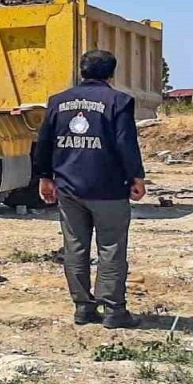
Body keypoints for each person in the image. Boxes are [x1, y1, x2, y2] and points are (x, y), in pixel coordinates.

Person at [34, 50, 146, 329]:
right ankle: (113, 311)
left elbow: (44, 142)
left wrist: (44, 177)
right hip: (108, 188)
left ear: (81, 71)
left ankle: (83, 308)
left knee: (75, 247)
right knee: (111, 247)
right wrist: (136, 176)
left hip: (69, 188)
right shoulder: (119, 101)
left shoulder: (58, 102)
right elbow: (125, 143)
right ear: (111, 74)